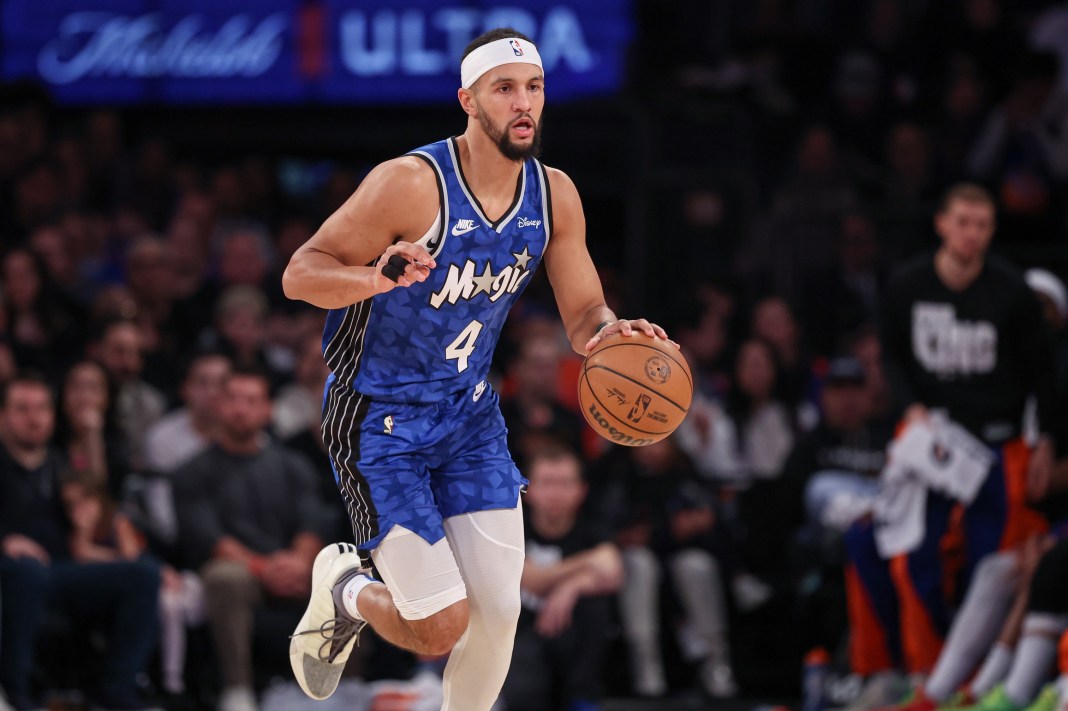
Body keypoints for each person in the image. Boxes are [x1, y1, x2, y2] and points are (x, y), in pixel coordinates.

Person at [281, 27, 674, 711]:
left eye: (534, 87)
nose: (524, 103)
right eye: (505, 88)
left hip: (469, 417)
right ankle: (346, 586)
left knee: (498, 616)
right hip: (381, 419)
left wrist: (616, 335)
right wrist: (374, 278)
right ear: (468, 99)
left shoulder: (554, 196)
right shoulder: (408, 185)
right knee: (440, 628)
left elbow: (584, 315)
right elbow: (299, 274)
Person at [844, 183, 1055, 697]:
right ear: (941, 223)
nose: (971, 235)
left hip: (996, 445)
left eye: (981, 225)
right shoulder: (907, 285)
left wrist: (1048, 437)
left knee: (994, 565)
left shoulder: (1011, 292)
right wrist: (909, 406)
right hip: (928, 439)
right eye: (962, 222)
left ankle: (979, 682)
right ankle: (926, 673)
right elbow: (890, 354)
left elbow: (1043, 372)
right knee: (909, 553)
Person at [172, 367, 334, 711]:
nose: (240, 409)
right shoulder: (191, 472)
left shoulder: (294, 465)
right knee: (223, 576)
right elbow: (209, 538)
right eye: (232, 399)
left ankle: (342, 688)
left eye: (251, 401)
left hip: (293, 568)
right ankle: (237, 690)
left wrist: (300, 563)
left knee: (344, 574)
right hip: (241, 572)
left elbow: (312, 522)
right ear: (218, 406)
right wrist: (264, 569)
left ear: (267, 410)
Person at [0, 373, 161, 711]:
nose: (34, 418)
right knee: (28, 573)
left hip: (60, 569)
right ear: (3, 415)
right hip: (14, 571)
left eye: (42, 408)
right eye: (22, 409)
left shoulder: (59, 464)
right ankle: (17, 692)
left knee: (144, 574)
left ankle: (117, 690)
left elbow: (97, 498)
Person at [500, 446, 623, 711]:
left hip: (572, 632)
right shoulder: (511, 524)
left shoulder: (592, 523)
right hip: (522, 632)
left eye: (565, 483)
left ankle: (583, 701)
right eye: (547, 483)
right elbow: (533, 580)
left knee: (596, 608)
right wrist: (586, 564)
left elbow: (614, 572)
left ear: (581, 490)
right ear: (528, 490)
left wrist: (573, 586)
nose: (556, 493)